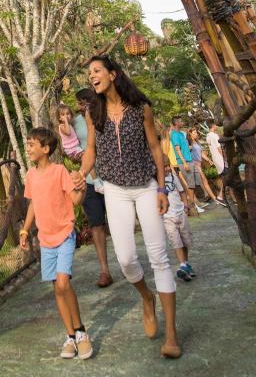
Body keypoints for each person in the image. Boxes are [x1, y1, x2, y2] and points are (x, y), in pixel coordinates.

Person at [78, 56, 181, 359]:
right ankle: (146, 297)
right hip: (115, 191)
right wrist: (80, 173)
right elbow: (91, 151)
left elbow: (154, 149)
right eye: (89, 74)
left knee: (159, 258)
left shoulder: (141, 108)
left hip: (146, 187)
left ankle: (172, 335)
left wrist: (162, 188)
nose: (91, 77)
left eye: (96, 71)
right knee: (125, 260)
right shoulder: (92, 113)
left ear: (113, 74)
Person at [20, 126, 93, 360]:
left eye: (32, 144)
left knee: (63, 283)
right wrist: (24, 229)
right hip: (45, 239)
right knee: (57, 289)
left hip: (64, 234)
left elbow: (75, 199)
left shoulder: (60, 170)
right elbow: (32, 203)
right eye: (28, 143)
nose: (28, 148)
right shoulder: (31, 175)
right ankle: (70, 336)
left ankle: (81, 332)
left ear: (46, 148)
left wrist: (81, 190)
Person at [74, 88, 113, 288]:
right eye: (80, 102)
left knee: (117, 221)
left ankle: (128, 263)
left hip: (111, 178)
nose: (82, 106)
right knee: (97, 224)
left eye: (86, 101)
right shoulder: (74, 122)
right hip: (89, 180)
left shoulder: (107, 115)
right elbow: (70, 145)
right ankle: (104, 270)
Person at [162, 155, 196, 282]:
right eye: (163, 167)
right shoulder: (155, 182)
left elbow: (182, 192)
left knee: (185, 241)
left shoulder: (173, 177)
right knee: (176, 241)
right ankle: (182, 265)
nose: (165, 169)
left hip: (180, 213)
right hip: (167, 217)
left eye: (167, 166)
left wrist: (186, 206)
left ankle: (186, 264)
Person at [170, 116, 205, 216]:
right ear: (176, 123)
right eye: (181, 121)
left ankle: (193, 203)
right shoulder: (175, 134)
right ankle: (192, 205)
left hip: (190, 160)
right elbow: (177, 150)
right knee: (190, 184)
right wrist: (184, 162)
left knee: (195, 183)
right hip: (184, 162)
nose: (182, 122)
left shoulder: (182, 134)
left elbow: (184, 147)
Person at [186, 128, 216, 204]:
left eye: (196, 132)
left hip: (199, 164)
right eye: (195, 132)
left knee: (200, 182)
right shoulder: (189, 143)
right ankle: (215, 198)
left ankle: (204, 197)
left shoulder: (196, 142)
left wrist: (208, 159)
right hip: (195, 164)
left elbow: (201, 153)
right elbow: (187, 153)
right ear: (190, 134)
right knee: (204, 181)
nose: (196, 134)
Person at [206, 123, 228, 205]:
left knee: (225, 178)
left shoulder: (208, 136)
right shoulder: (214, 136)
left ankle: (222, 196)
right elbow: (219, 148)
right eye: (215, 125)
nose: (217, 126)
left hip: (215, 159)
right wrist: (224, 157)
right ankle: (220, 197)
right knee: (227, 178)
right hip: (220, 159)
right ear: (213, 126)